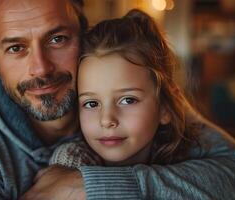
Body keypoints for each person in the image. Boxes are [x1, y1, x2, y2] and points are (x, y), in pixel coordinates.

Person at [0, 0, 235, 199]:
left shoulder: (141, 99)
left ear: (83, 33)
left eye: (57, 39)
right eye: (16, 48)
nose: (40, 68)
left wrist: (88, 188)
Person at [49, 9, 201, 168]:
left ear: (164, 107)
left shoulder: (193, 157)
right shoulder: (70, 162)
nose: (107, 120)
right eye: (91, 103)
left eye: (128, 100)